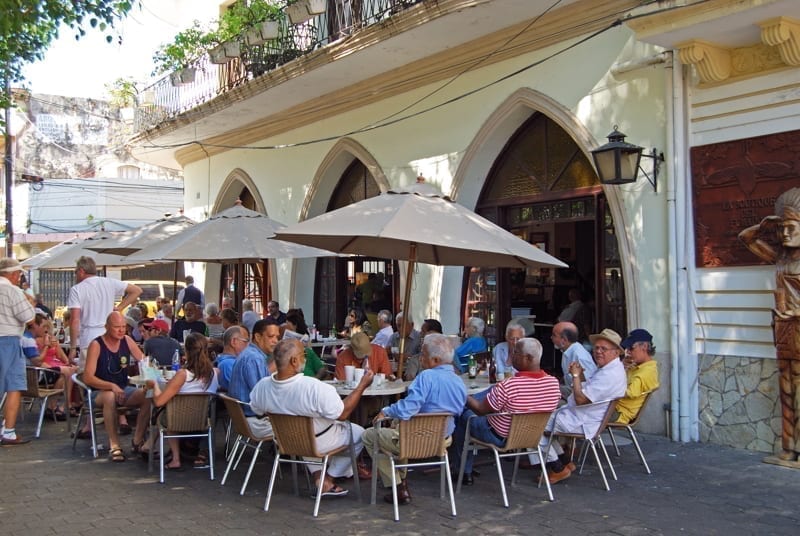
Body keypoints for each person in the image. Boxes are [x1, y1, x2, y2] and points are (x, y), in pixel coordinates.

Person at [249, 339, 374, 497]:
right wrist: (362, 385)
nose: (305, 358)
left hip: (285, 441)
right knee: (360, 434)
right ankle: (327, 479)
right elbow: (342, 414)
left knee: (308, 431)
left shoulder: (262, 386)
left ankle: (319, 477)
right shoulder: (313, 387)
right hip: (316, 441)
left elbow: (257, 410)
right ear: (294, 361)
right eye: (303, 355)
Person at [363, 333, 467, 505]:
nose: (420, 360)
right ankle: (401, 481)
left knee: (369, 436)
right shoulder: (458, 381)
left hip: (415, 440)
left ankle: (397, 485)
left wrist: (386, 410)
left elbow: (407, 409)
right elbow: (459, 409)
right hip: (442, 440)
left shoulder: (426, 377)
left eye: (423, 355)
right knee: (400, 426)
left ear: (434, 360)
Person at [739, 187, 800, 461]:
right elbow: (746, 238)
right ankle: (789, 451)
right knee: (786, 387)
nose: (785, 234)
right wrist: (766, 225)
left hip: (797, 326)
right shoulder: (781, 259)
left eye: (792, 228)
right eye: (783, 228)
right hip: (783, 330)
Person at [452, 337, 561, 485]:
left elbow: (480, 410)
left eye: (516, 353)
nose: (511, 355)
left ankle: (463, 471)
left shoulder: (510, 386)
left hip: (498, 435)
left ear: (528, 358)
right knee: (491, 391)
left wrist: (463, 395)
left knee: (464, 416)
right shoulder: (553, 384)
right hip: (531, 435)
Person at [531, 328, 627, 483]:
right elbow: (586, 391)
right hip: (582, 416)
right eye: (596, 348)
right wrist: (580, 375)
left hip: (583, 421)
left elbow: (581, 399)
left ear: (616, 352)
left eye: (604, 349)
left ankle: (558, 468)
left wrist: (575, 375)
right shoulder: (609, 368)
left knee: (530, 425)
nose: (598, 352)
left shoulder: (610, 375)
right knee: (541, 420)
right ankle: (564, 462)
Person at [80, 312, 151, 462]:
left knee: (148, 395)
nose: (121, 330)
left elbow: (144, 362)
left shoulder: (127, 340)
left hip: (123, 389)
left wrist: (155, 374)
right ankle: (115, 445)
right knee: (110, 396)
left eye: (123, 327)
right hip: (98, 393)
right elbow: (88, 377)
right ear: (106, 327)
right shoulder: (96, 345)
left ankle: (137, 440)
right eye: (116, 327)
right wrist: (111, 386)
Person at [146, 332, 219, 468]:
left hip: (178, 422)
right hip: (203, 421)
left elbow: (159, 402)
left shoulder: (183, 375)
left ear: (187, 351)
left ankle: (175, 458)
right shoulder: (215, 373)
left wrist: (155, 385)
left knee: (164, 411)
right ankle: (149, 445)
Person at [67, 256, 142, 366]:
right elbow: (137, 290)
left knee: (89, 376)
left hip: (89, 337)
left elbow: (74, 320)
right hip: (109, 336)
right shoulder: (109, 282)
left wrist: (73, 347)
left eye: (75, 272)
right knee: (109, 371)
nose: (75, 275)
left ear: (81, 271)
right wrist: (120, 307)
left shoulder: (77, 289)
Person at [0, 258, 37, 445]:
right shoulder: (12, 291)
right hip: (8, 340)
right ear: (14, 274)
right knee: (13, 386)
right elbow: (28, 316)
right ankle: (9, 431)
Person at [228, 319, 280, 437]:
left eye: (277, 337)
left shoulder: (250, 354)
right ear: (257, 336)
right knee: (302, 426)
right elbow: (262, 397)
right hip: (254, 421)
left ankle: (286, 453)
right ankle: (288, 453)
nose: (276, 341)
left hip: (244, 419)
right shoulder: (254, 358)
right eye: (271, 336)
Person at [613, 329, 660, 424]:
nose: (628, 352)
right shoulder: (636, 366)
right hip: (613, 407)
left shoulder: (647, 372)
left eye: (631, 348)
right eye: (627, 348)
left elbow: (627, 392)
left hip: (619, 413)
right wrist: (621, 366)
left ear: (645, 347)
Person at [551, 321, 597, 397]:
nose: (551, 338)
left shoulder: (579, 356)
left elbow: (589, 388)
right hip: (571, 392)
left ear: (564, 340)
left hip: (581, 398)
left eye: (554, 335)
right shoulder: (567, 350)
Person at [215, 325, 250, 391]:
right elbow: (244, 391)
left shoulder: (226, 361)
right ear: (234, 342)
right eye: (245, 341)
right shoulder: (228, 364)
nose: (248, 345)